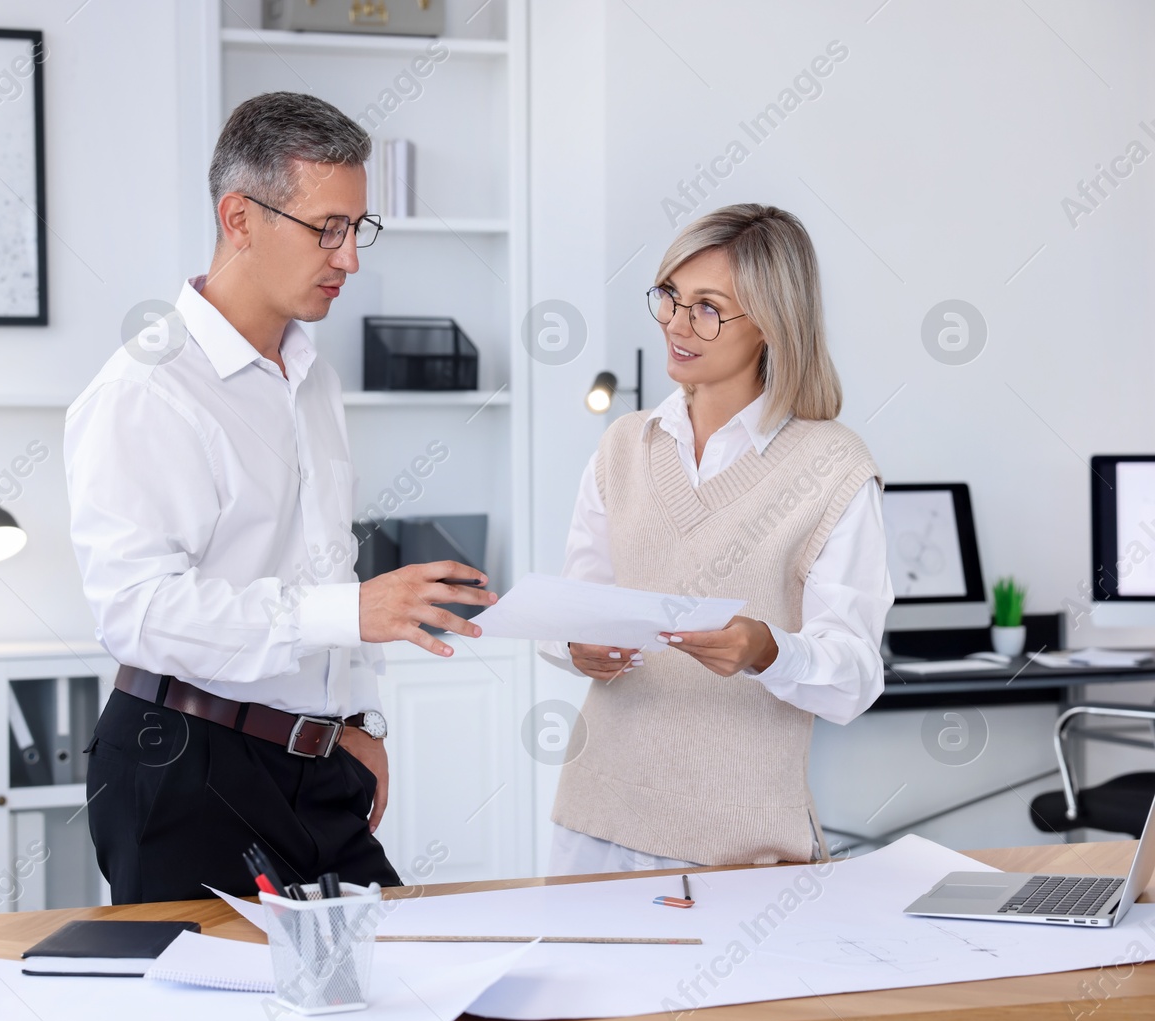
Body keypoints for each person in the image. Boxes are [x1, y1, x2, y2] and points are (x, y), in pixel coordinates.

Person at [64, 91, 496, 905]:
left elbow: (328, 558)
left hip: (314, 760)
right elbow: (137, 611)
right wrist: (347, 614)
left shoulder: (313, 377)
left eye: (357, 228)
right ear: (240, 218)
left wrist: (358, 723)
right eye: (326, 228)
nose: (349, 258)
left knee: (390, 978)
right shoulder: (147, 388)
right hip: (183, 763)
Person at [539, 203, 892, 875]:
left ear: (769, 323)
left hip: (740, 848)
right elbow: (574, 607)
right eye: (670, 297)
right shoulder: (622, 447)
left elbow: (854, 677)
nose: (676, 323)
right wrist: (574, 644)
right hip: (595, 825)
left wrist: (767, 650)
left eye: (707, 307)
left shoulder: (834, 467)